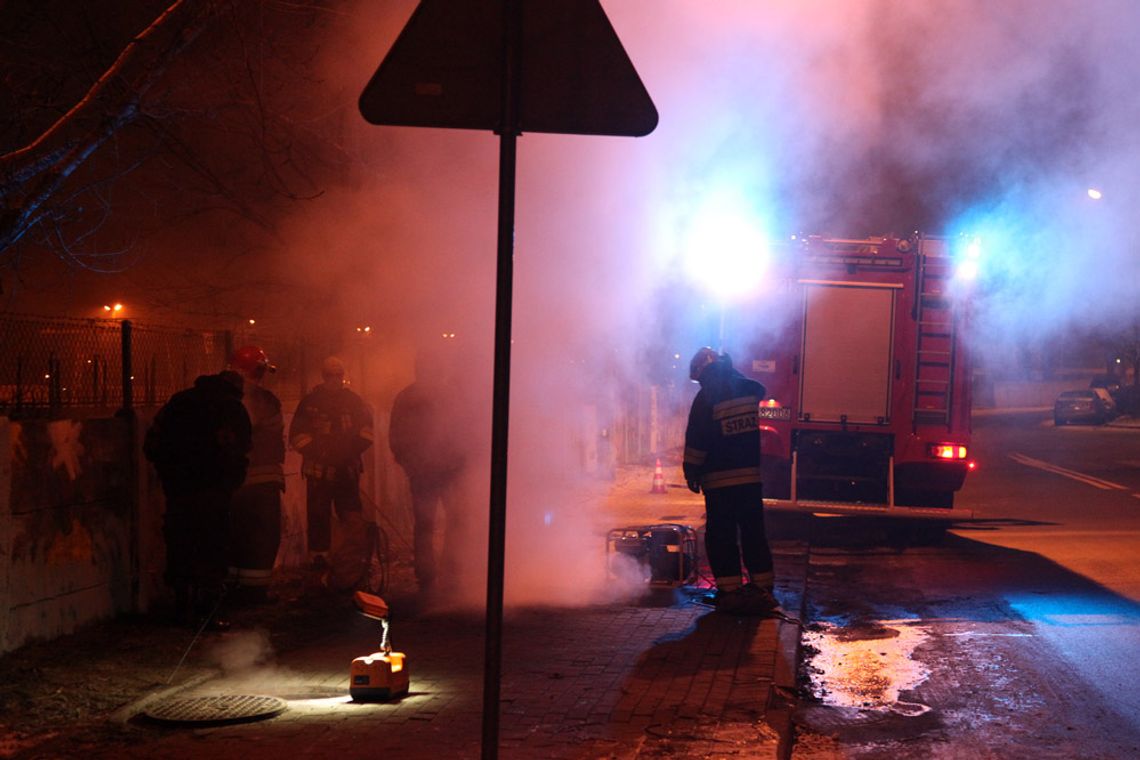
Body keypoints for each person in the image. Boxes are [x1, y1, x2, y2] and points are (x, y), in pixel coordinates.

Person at [144, 370, 252, 629]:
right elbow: (240, 448)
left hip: (178, 489)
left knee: (180, 543)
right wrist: (230, 482)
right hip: (213, 491)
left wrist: (170, 473)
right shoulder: (230, 408)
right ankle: (209, 610)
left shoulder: (178, 402)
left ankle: (181, 606)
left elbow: (151, 444)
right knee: (212, 546)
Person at [682, 347, 777, 616]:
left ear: (703, 370)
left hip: (719, 483)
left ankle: (730, 592)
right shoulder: (747, 391)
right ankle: (763, 589)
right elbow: (758, 391)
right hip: (749, 480)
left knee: (721, 537)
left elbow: (697, 442)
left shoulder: (706, 398)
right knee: (753, 535)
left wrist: (691, 472)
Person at [289, 356, 374, 589]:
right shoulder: (310, 402)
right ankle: (320, 566)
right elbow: (297, 435)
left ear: (343, 376)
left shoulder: (354, 402)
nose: (335, 380)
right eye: (330, 375)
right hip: (319, 472)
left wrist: (348, 452)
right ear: (323, 376)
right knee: (318, 517)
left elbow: (367, 432)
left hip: (347, 471)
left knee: (351, 517)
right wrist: (323, 453)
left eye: (338, 375)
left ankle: (350, 567)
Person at [388, 348, 467, 596]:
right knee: (452, 519)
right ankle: (448, 571)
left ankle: (428, 574)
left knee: (427, 523)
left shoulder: (406, 397)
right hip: (441, 471)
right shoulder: (449, 395)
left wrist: (409, 464)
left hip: (429, 472)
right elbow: (464, 431)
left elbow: (396, 437)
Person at [226, 345, 285, 604]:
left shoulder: (225, 401)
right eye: (261, 370)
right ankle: (255, 593)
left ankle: (234, 591)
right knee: (263, 536)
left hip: (233, 483)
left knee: (236, 535)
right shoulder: (265, 400)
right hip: (263, 483)